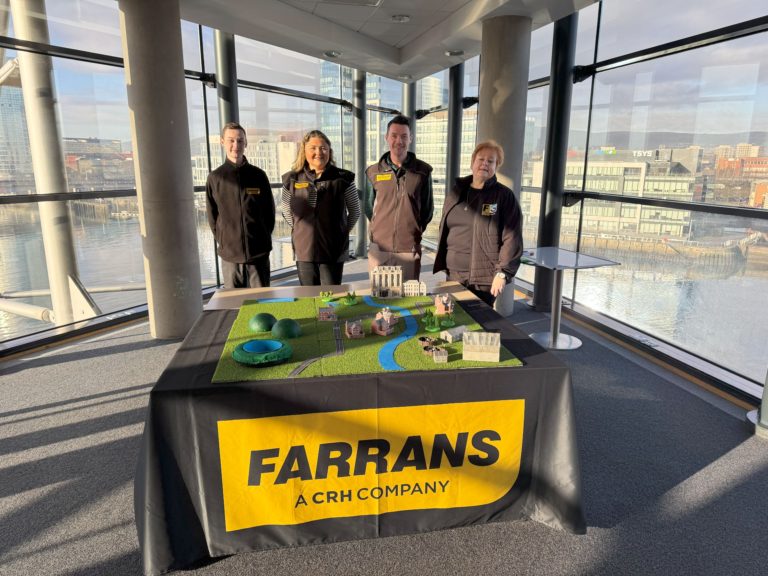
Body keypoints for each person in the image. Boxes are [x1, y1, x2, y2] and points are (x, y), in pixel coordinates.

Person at [433, 140, 523, 307]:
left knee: (479, 320)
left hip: (483, 279)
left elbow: (512, 237)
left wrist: (503, 273)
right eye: (481, 159)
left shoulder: (504, 196)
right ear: (472, 162)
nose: (485, 164)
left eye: (490, 161)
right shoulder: (457, 191)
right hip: (453, 273)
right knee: (453, 317)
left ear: (496, 166)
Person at [281, 130, 360, 286]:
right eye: (313, 148)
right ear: (304, 151)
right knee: (308, 296)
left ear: (329, 151)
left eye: (323, 148)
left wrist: (341, 231)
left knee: (331, 296)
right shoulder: (291, 179)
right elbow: (286, 210)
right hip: (304, 250)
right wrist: (301, 228)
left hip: (332, 249)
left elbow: (355, 211)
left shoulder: (343, 179)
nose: (319, 152)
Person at [206, 122, 276, 289]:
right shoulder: (215, 178)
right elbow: (212, 217)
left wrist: (262, 237)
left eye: (240, 140)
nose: (235, 145)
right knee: (234, 301)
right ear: (222, 142)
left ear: (246, 143)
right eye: (231, 140)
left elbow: (270, 213)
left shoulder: (259, 176)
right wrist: (225, 240)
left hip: (258, 254)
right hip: (230, 256)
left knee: (261, 300)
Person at [365, 115, 433, 281]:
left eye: (404, 136)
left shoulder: (423, 172)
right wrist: (380, 229)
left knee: (408, 294)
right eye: (394, 136)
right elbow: (368, 207)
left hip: (409, 249)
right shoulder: (373, 172)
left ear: (410, 138)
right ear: (386, 138)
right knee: (380, 293)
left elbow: (427, 210)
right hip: (379, 249)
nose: (399, 141)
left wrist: (413, 232)